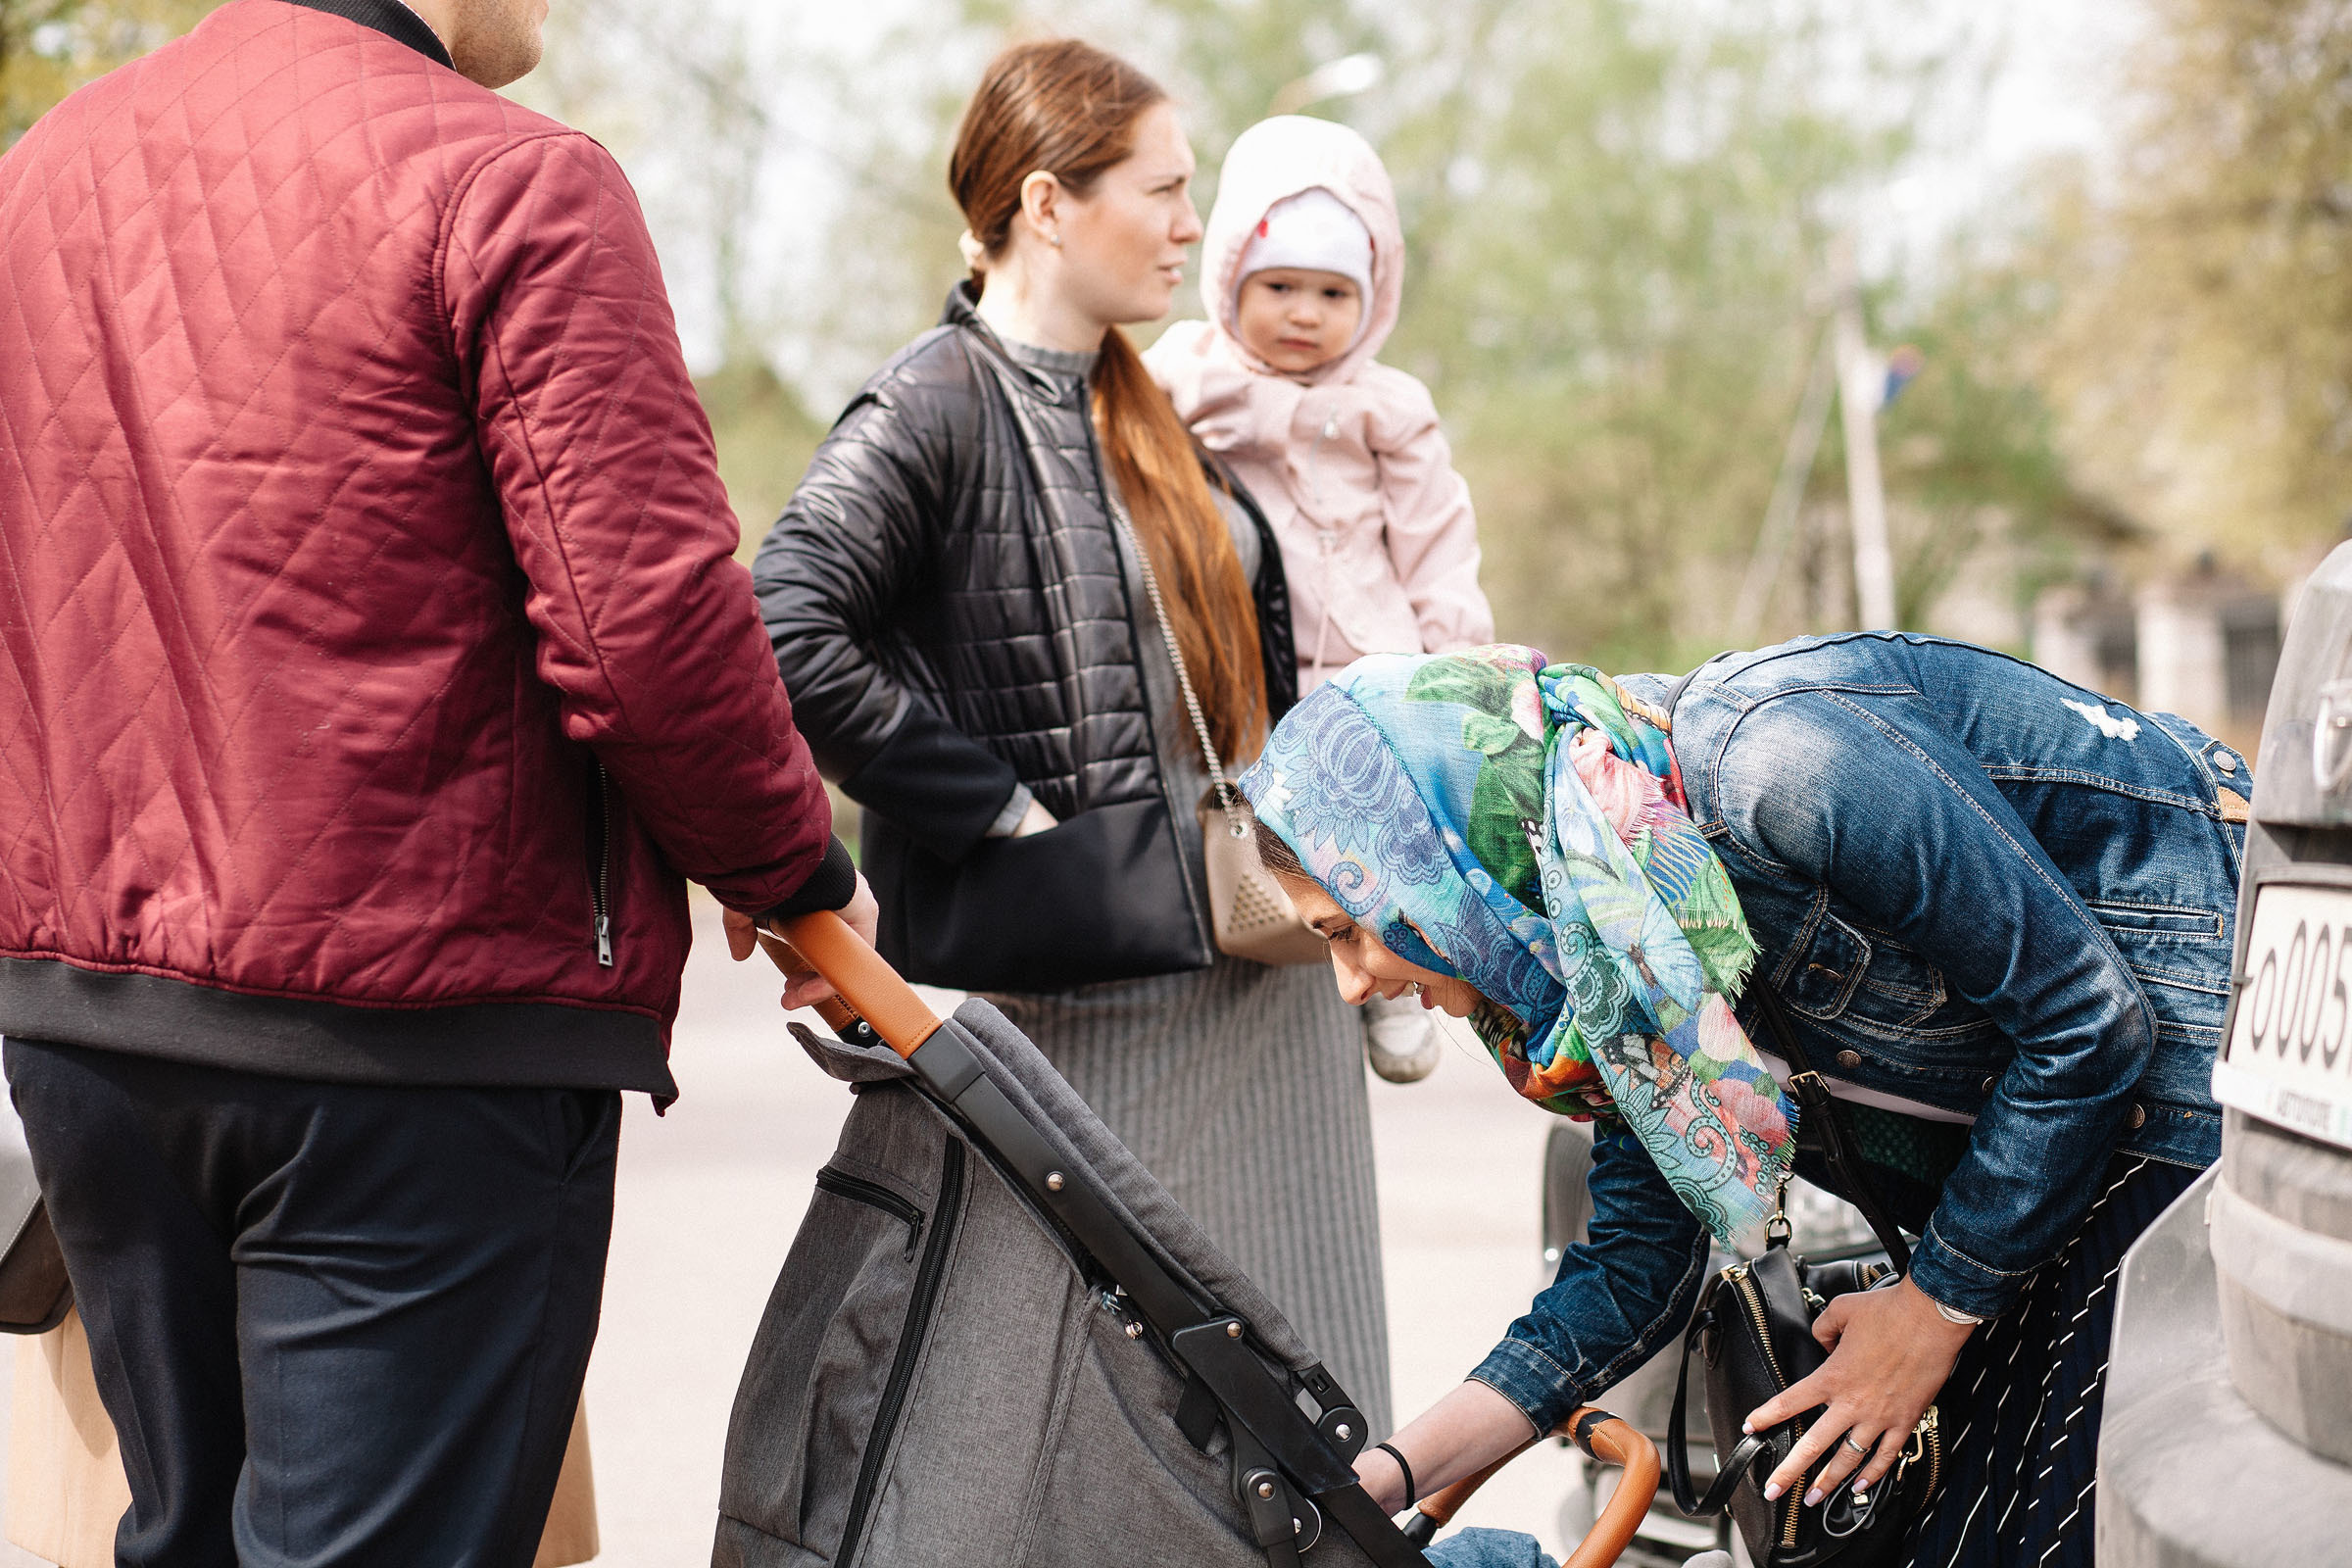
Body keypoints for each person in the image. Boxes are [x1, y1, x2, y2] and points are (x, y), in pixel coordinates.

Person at [0, 1, 870, 1562]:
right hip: (411, 1039)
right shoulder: (509, 181)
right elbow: (649, 622)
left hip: (87, 1031)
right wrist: (793, 868)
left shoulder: (40, 174)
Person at [1238, 636, 2243, 1568]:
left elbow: (2088, 1020)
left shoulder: (1775, 764)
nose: (1351, 984)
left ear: (1427, 863)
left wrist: (1931, 1309)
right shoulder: (1618, 962)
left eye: (1344, 929)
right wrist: (1381, 1479)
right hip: (2065, 1156)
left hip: (2198, 1084)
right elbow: (1630, 1275)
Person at [754, 39, 1392, 1430]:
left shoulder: (1148, 403)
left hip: (1252, 990)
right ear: (1048, 203)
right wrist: (1000, 813)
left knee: (1303, 1410)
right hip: (1083, 1010)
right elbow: (784, 626)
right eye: (1161, 192)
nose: (1188, 226)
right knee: (1109, 1434)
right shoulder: (935, 397)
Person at [1148, 113, 1493, 1087]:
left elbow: (1435, 541)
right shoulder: (1186, 376)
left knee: (1378, 842)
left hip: (1367, 666)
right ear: (1230, 283)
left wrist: (1453, 666)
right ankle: (1257, 955)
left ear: (1371, 297)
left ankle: (1390, 986)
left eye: (1333, 292)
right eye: (1280, 287)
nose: (1305, 313)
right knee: (1265, 838)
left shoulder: (1390, 405)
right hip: (1247, 667)